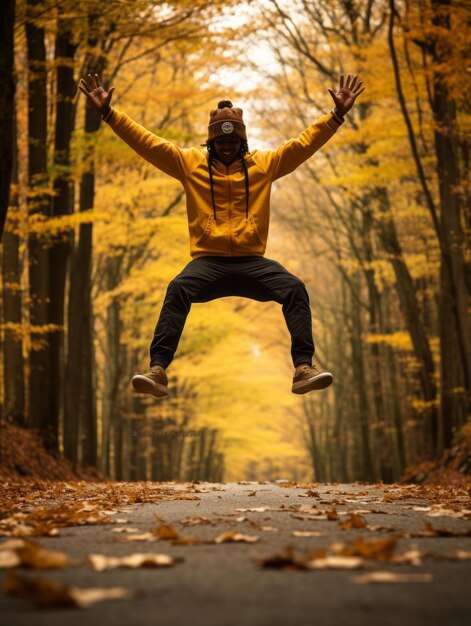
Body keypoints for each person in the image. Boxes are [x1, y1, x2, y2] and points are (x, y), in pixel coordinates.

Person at [79, 72, 365, 398]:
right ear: (211, 142)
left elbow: (301, 145)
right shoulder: (188, 164)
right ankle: (157, 369)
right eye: (220, 142)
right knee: (178, 289)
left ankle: (303, 367)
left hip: (252, 263)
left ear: (241, 141)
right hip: (208, 264)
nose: (226, 147)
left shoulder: (265, 165)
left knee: (294, 289)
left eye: (232, 142)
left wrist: (336, 116)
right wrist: (109, 115)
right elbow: (148, 142)